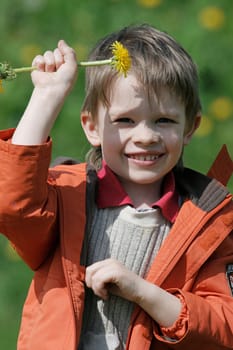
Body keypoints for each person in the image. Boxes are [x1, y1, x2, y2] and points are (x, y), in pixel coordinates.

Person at [0, 24, 232, 350]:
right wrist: (46, 97)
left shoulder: (209, 223)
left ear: (190, 127)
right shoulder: (67, 198)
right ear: (92, 127)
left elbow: (223, 327)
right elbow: (13, 205)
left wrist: (142, 292)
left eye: (164, 120)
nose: (146, 136)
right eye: (125, 120)